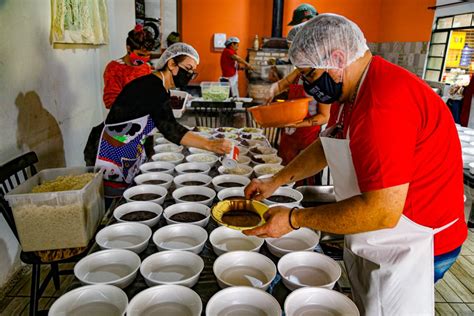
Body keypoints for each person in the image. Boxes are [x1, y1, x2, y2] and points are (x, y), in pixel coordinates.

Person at [244, 14, 467, 315]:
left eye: (308, 74)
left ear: (337, 58)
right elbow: (328, 144)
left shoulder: (383, 104)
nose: (307, 85)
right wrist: (277, 180)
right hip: (382, 232)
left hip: (416, 242)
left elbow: (381, 212)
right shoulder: (352, 89)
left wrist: (294, 219)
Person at [89, 43, 232, 198]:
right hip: (111, 154)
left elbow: (159, 118)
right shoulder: (152, 88)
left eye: (193, 71)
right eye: (188, 68)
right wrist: (210, 145)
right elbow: (171, 130)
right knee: (116, 201)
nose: (190, 74)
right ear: (171, 64)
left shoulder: (158, 86)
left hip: (128, 150)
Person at [266, 21, 330, 185]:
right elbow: (283, 84)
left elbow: (324, 116)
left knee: (301, 180)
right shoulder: (299, 71)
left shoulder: (320, 76)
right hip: (288, 137)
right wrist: (273, 89)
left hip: (307, 139)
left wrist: (298, 124)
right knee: (282, 176)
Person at [102, 25, 155, 109]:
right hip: (124, 117)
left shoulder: (146, 67)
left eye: (148, 55)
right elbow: (110, 102)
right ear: (128, 48)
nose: (144, 59)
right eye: (140, 55)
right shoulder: (114, 68)